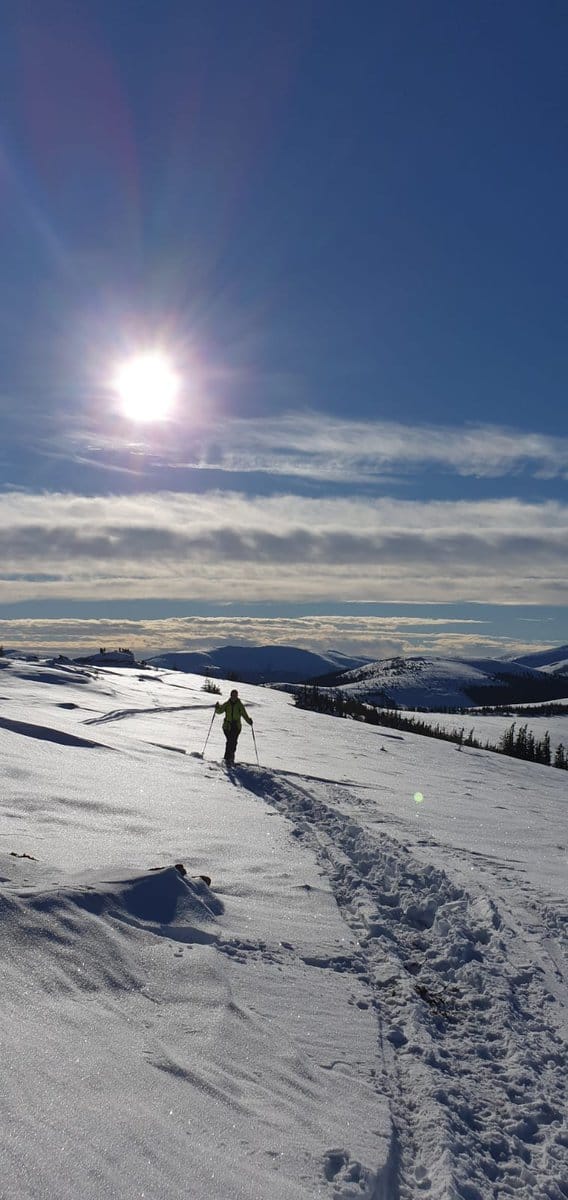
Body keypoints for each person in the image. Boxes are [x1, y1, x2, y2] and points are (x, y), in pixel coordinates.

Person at [215, 689, 253, 765]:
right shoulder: (227, 704)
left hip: (236, 727)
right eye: (232, 695)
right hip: (227, 726)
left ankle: (229, 758)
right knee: (230, 741)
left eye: (235, 695)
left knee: (233, 742)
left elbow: (244, 714)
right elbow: (220, 711)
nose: (233, 697)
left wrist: (249, 721)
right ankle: (228, 758)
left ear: (237, 696)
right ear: (231, 695)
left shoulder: (239, 705)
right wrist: (217, 707)